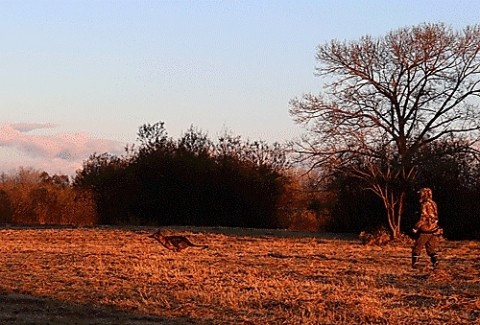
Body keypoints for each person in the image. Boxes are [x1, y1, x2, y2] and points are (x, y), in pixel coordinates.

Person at [411, 187, 442, 269]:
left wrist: (416, 227)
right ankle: (435, 262)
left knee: (417, 247)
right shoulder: (433, 203)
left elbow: (423, 217)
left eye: (421, 193)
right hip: (434, 228)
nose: (419, 195)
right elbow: (436, 216)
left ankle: (415, 264)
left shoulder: (424, 203)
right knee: (431, 248)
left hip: (425, 229)